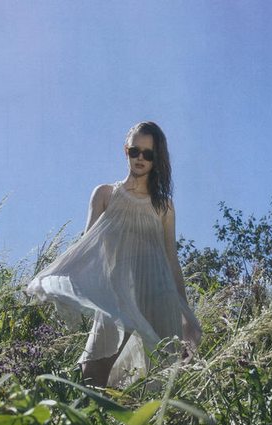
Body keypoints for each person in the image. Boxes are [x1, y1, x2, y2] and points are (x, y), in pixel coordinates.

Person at [26, 121, 202, 388]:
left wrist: (186, 313)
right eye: (135, 151)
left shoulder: (164, 206)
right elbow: (87, 247)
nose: (140, 158)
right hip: (117, 295)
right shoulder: (105, 194)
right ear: (125, 150)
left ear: (157, 158)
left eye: (148, 154)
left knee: (149, 381)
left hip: (155, 296)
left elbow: (171, 260)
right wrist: (52, 281)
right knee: (91, 374)